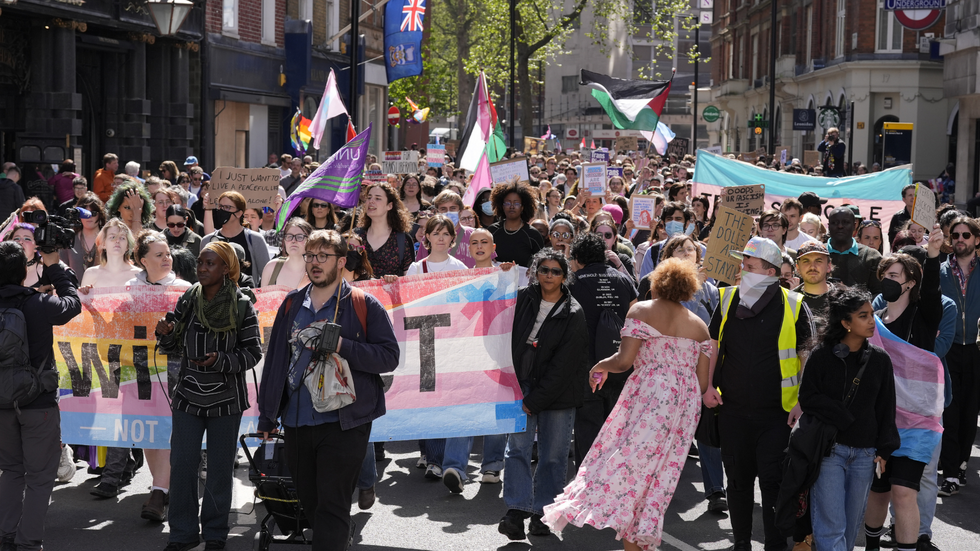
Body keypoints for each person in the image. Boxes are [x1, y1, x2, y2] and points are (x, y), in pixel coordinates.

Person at [543, 257, 710, 550]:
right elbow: (704, 384)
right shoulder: (700, 326)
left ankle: (628, 532)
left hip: (650, 396)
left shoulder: (642, 310)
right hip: (684, 406)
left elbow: (623, 362)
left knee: (625, 464)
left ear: (656, 283)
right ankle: (639, 537)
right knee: (660, 475)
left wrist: (600, 365)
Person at [258, 230, 399, 550]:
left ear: (341, 261)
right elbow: (276, 360)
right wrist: (268, 416)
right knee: (312, 504)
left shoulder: (364, 304)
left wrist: (341, 345)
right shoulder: (292, 304)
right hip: (296, 422)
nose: (315, 262)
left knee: (333, 505)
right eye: (310, 256)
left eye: (324, 256)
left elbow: (389, 357)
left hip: (345, 422)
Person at [703, 236, 814, 551]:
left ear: (769, 270)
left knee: (773, 483)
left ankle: (775, 544)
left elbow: (807, 354)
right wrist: (707, 387)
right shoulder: (727, 300)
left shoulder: (794, 304)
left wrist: (803, 401)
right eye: (743, 263)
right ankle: (741, 542)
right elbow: (711, 347)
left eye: (748, 265)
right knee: (737, 483)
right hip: (733, 411)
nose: (742, 269)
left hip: (777, 416)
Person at [155, 241, 261, 551]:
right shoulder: (189, 298)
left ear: (226, 269)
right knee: (184, 465)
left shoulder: (242, 304)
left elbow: (253, 353)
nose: (202, 268)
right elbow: (173, 345)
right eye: (200, 262)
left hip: (227, 400)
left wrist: (221, 361)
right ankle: (182, 534)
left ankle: (215, 534)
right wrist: (166, 332)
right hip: (188, 395)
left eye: (209, 263)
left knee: (218, 470)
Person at [498, 248, 589, 541]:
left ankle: (542, 515)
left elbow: (564, 367)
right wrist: (501, 279)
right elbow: (491, 313)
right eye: (544, 270)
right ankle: (515, 510)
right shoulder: (521, 297)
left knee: (552, 456)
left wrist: (534, 401)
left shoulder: (574, 313)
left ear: (565, 277)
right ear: (536, 271)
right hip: (520, 383)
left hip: (558, 394)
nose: (549, 275)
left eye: (556, 271)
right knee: (517, 451)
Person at [801, 286, 899, 551]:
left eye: (871, 315)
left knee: (849, 530)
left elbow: (886, 406)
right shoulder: (821, 355)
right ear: (846, 323)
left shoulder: (880, 360)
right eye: (863, 316)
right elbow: (807, 397)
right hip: (830, 452)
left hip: (865, 455)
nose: (871, 321)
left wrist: (886, 448)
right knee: (831, 528)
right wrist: (842, 415)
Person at [863, 234, 944, 551]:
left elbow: (934, 291)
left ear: (911, 283)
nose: (887, 281)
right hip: (881, 421)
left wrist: (934, 255)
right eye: (884, 275)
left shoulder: (923, 318)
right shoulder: (874, 321)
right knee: (879, 490)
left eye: (894, 276)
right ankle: (871, 546)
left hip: (917, 424)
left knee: (904, 491)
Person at [0, 240, 81, 551]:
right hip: (38, 403)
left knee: (10, 470)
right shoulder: (36, 304)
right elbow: (73, 304)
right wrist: (54, 265)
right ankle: (28, 542)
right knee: (40, 476)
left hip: (2, 404)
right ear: (23, 272)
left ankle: (6, 537)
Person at [638, 235, 727, 513]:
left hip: (701, 369)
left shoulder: (711, 289)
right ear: (667, 256)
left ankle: (715, 491)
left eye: (692, 250)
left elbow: (716, 332)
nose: (688, 253)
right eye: (680, 249)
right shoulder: (652, 286)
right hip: (664, 373)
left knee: (708, 432)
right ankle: (656, 490)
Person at [566, 232, 638, 466]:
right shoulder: (623, 279)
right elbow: (635, 320)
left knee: (587, 428)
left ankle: (586, 486)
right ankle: (613, 486)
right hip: (621, 362)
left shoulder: (572, 282)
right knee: (618, 428)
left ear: (576, 258)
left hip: (585, 366)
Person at [937, 217, 980, 497]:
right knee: (949, 412)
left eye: (966, 234)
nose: (960, 239)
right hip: (949, 347)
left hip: (977, 349)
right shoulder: (940, 270)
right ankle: (951, 472)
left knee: (969, 412)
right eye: (956, 235)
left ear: (977, 239)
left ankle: (962, 464)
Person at [201, 191, 271, 283]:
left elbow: (267, 275)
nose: (222, 210)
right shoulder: (207, 241)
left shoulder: (255, 240)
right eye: (220, 207)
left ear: (239, 213)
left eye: (227, 207)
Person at [353, 183, 414, 280]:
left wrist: (395, 280)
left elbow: (409, 279)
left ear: (389, 206)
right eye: (369, 197)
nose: (371, 201)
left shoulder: (403, 240)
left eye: (377, 198)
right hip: (359, 294)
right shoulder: (355, 236)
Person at [487, 180, 545, 267]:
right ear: (502, 206)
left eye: (516, 203)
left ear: (522, 207)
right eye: (508, 203)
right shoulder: (492, 231)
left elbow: (542, 263)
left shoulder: (533, 235)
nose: (512, 206)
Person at [826, 207, 883, 295]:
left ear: (854, 225)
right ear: (828, 225)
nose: (840, 226)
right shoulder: (817, 254)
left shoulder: (872, 257)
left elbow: (878, 293)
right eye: (835, 222)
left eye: (846, 222)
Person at [60, 193, 107, 281]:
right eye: (85, 213)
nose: (88, 217)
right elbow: (62, 273)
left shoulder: (108, 240)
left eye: (93, 213)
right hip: (74, 292)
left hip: (101, 292)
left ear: (100, 215)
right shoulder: (69, 239)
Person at [261, 218, 313, 289]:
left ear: (310, 240)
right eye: (289, 236)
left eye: (299, 237)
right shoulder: (270, 268)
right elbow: (263, 299)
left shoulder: (316, 270)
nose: (293, 241)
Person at [794, 241, 836, 317]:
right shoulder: (789, 301)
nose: (812, 267)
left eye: (818, 261)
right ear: (798, 268)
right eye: (806, 261)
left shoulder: (842, 298)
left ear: (828, 266)